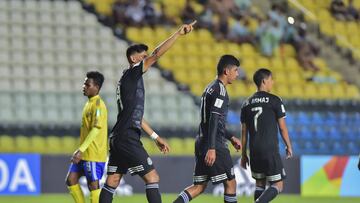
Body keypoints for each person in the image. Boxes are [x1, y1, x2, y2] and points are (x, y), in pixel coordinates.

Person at [99, 20, 197, 203]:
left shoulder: (127, 81)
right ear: (134, 59)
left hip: (118, 136)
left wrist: (155, 137)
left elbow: (136, 116)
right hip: (127, 137)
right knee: (152, 178)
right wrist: (177, 34)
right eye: (142, 57)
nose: (146, 59)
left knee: (112, 180)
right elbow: (157, 54)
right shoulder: (133, 72)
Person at [173, 55, 242, 203]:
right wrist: (212, 148)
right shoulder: (220, 91)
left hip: (201, 140)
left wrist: (230, 137)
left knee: (199, 187)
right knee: (231, 183)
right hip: (214, 144)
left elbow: (212, 120)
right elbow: (214, 119)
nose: (237, 74)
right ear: (226, 71)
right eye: (236, 70)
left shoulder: (210, 87)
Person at [240, 68, 293, 203]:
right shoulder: (274, 100)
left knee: (260, 184)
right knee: (278, 185)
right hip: (270, 149)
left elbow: (244, 132)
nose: (273, 82)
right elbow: (282, 127)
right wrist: (288, 145)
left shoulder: (246, 103)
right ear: (264, 81)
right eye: (271, 79)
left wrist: (243, 154)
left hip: (254, 150)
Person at [66, 71, 108, 203]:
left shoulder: (98, 105)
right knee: (71, 179)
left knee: (93, 185)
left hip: (93, 154)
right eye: (84, 84)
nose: (84, 86)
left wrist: (81, 150)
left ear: (96, 87)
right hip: (85, 153)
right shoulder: (89, 103)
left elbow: (96, 129)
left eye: (87, 84)